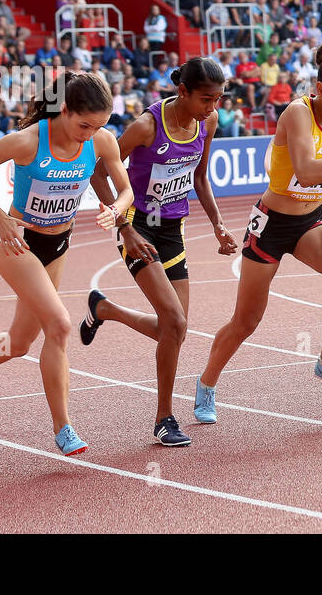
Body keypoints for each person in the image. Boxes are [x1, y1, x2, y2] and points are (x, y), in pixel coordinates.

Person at [0, 71, 131, 456]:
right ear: (64, 110)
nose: (89, 134)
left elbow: (125, 190)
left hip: (58, 245)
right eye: (83, 125)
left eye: (99, 127)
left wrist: (116, 210)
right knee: (59, 325)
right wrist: (0, 217)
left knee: (20, 344)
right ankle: (64, 428)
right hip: (18, 245)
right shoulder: (28, 141)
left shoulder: (101, 141)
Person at [192, 43, 322, 420]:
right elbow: (306, 171)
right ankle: (207, 384)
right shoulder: (298, 113)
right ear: (319, 89)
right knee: (246, 321)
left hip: (311, 219)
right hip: (273, 223)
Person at [81, 57, 238, 447]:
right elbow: (97, 171)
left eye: (218, 100)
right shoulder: (146, 127)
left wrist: (217, 223)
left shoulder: (208, 122)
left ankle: (105, 310)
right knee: (175, 322)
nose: (212, 108)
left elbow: (200, 176)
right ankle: (164, 417)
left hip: (174, 229)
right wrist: (124, 227)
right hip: (138, 227)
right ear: (182, 91)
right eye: (206, 99)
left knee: (174, 328)